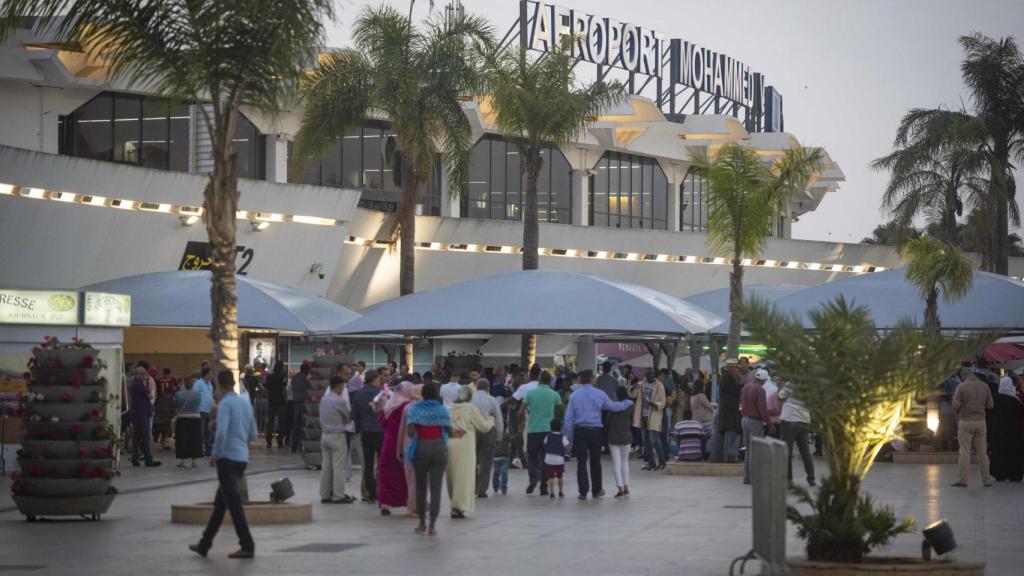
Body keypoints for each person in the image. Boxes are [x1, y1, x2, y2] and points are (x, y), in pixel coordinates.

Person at [190, 370, 257, 559]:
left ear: (219, 385)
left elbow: (221, 433)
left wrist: (215, 454)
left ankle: (247, 545)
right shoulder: (245, 404)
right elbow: (253, 433)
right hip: (241, 458)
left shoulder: (225, 405)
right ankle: (204, 544)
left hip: (227, 459)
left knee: (234, 505)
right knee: (220, 505)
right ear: (234, 382)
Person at [563, 370, 633, 500]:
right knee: (595, 461)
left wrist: (568, 435)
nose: (596, 379)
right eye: (594, 377)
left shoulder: (574, 395)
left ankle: (583, 492)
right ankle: (597, 490)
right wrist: (627, 403)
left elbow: (568, 418)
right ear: (591, 379)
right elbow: (613, 407)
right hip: (595, 431)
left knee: (581, 462)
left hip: (580, 431)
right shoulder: (600, 394)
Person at [405, 382, 453, 536]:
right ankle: (432, 525)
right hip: (440, 449)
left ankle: (421, 523)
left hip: (422, 449)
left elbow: (411, 431)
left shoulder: (416, 409)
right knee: (436, 487)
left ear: (423, 394)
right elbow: (449, 430)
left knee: (421, 486)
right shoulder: (442, 410)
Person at [446, 385, 494, 518]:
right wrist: (491, 420)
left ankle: (454, 504)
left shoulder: (449, 408)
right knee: (464, 476)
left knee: (452, 476)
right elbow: (483, 427)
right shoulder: (470, 408)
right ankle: (458, 507)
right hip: (465, 445)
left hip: (450, 443)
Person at [521, 370, 562, 496]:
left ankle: (533, 479)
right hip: (548, 431)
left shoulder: (530, 393)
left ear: (539, 379)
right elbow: (561, 410)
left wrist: (521, 423)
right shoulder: (554, 394)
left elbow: (521, 411)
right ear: (550, 381)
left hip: (533, 429)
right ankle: (544, 487)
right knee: (546, 459)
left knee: (532, 457)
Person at [951, 367, 994, 487]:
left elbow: (955, 405)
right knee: (982, 452)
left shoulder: (962, 386)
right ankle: (986, 479)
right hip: (981, 422)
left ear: (963, 376)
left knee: (964, 452)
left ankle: (963, 480)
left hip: (965, 421)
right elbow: (990, 405)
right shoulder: (984, 386)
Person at [378, 377, 412, 516]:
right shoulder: (409, 406)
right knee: (405, 475)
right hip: (404, 443)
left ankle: (385, 503)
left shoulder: (389, 405)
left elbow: (382, 423)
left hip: (388, 443)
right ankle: (408, 501)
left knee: (386, 475)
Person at [319, 376, 355, 504]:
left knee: (326, 466)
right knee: (338, 467)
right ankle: (338, 495)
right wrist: (343, 420)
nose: (343, 389)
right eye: (343, 386)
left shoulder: (324, 399)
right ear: (338, 386)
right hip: (337, 436)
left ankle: (324, 494)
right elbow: (349, 417)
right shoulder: (339, 401)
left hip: (324, 436)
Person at [351, 369, 384, 503]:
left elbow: (354, 415)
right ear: (375, 379)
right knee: (381, 463)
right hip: (380, 432)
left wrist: (359, 428)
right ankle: (380, 490)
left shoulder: (358, 394)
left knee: (368, 463)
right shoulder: (381, 394)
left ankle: (370, 492)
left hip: (365, 432)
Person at [778, 379, 815, 486]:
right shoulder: (809, 385)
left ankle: (788, 479)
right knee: (805, 451)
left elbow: (779, 397)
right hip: (804, 420)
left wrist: (782, 386)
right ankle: (811, 478)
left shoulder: (791, 384)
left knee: (787, 451)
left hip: (790, 420)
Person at [471, 378, 503, 498]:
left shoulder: (470, 399)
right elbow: (499, 419)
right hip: (489, 431)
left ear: (476, 387)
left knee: (471, 460)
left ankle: (472, 487)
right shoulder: (492, 400)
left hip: (473, 431)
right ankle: (481, 490)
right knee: (486, 461)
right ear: (488, 388)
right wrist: (499, 435)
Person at [740, 368, 773, 484]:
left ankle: (747, 476)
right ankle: (754, 477)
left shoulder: (746, 387)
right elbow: (763, 410)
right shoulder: (760, 390)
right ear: (763, 380)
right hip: (755, 421)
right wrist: (770, 424)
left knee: (748, 449)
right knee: (755, 450)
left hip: (744, 419)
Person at [630, 372, 667, 471]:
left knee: (654, 439)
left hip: (653, 414)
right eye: (648, 375)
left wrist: (653, 404)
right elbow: (633, 395)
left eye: (652, 375)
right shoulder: (641, 384)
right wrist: (633, 386)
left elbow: (663, 402)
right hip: (643, 415)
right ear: (645, 375)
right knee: (645, 440)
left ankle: (662, 462)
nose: (650, 377)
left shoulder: (659, 386)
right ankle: (651, 463)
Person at [990, 375, 1023, 482]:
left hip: (998, 431)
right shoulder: (1015, 401)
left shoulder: (994, 399)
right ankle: (1014, 474)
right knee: (1013, 452)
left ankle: (999, 474)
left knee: (999, 451)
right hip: (1013, 432)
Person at [129, 367, 161, 467]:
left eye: (144, 374)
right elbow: (150, 396)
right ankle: (149, 460)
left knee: (136, 438)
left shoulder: (133, 384)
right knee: (145, 437)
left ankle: (135, 459)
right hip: (142, 414)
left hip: (136, 413)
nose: (144, 376)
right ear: (137, 374)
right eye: (142, 374)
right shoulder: (139, 384)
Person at [607, 386, 634, 497]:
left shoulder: (612, 407)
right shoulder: (630, 406)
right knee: (625, 462)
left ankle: (620, 489)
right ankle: (627, 487)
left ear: (617, 395)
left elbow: (607, 421)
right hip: (626, 436)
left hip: (613, 438)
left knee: (616, 464)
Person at [174, 376, 203, 468]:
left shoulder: (179, 394)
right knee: (194, 440)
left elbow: (176, 404)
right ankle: (194, 462)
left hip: (182, 418)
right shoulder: (198, 394)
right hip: (195, 417)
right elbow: (199, 403)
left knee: (182, 440)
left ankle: (182, 461)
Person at [717, 360, 743, 463]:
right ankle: (729, 456)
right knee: (731, 434)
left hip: (729, 412)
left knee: (732, 433)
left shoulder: (725, 378)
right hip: (730, 412)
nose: (737, 370)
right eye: (735, 367)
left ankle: (730, 455)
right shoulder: (728, 379)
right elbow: (736, 391)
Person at [543, 417, 570, 498]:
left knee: (551, 477)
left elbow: (545, 443)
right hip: (559, 460)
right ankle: (561, 492)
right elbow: (567, 445)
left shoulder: (548, 436)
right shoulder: (562, 437)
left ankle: (552, 493)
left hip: (549, 459)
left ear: (550, 427)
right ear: (561, 427)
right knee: (560, 476)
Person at [690, 379, 715, 459]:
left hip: (696, 421)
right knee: (712, 436)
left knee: (701, 439)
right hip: (705, 421)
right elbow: (709, 406)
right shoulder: (701, 395)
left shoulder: (692, 396)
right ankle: (707, 453)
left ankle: (701, 453)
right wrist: (714, 408)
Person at [290, 363, 312, 453]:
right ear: (306, 370)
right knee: (303, 426)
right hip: (303, 404)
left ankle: (293, 447)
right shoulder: (305, 380)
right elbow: (309, 390)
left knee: (295, 426)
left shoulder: (294, 379)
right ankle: (301, 445)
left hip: (295, 404)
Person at [264, 363, 287, 448]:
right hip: (280, 403)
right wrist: (285, 400)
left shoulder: (269, 377)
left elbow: (266, 390)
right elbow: (284, 390)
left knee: (270, 423)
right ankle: (280, 441)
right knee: (281, 424)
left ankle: (269, 441)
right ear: (280, 368)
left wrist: (268, 398)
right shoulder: (282, 377)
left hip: (271, 402)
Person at [193, 366, 215, 457]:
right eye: (211, 373)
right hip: (201, 410)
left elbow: (211, 395)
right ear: (206, 374)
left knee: (208, 431)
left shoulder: (210, 384)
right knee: (200, 430)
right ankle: (198, 449)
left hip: (208, 410)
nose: (212, 375)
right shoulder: (198, 383)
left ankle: (208, 450)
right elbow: (194, 395)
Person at [492, 425, 512, 495]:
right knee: (504, 473)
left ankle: (496, 488)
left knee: (496, 473)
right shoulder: (505, 434)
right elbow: (512, 440)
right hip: (504, 456)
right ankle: (503, 489)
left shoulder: (493, 433)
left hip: (496, 456)